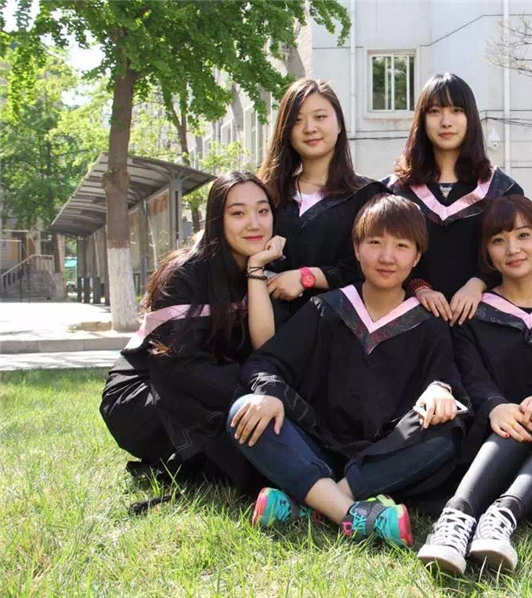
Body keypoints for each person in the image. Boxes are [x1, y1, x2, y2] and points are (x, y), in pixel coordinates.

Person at [228, 194, 467, 548]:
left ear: (417, 257)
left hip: (384, 455)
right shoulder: (326, 309)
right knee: (245, 409)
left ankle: (312, 503)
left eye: (401, 246)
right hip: (317, 445)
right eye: (375, 243)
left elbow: (447, 382)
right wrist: (269, 395)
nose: (387, 257)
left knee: (448, 428)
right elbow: (265, 363)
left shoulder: (429, 324)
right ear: (356, 249)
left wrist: (440, 388)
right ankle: (352, 513)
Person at [417, 195, 532, 574]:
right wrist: (495, 406)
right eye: (498, 240)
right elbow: (470, 373)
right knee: (514, 422)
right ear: (486, 253)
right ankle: (455, 519)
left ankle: (501, 517)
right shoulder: (471, 314)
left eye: (523, 235)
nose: (513, 249)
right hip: (492, 438)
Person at [100, 172, 285, 491]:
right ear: (217, 220)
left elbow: (268, 349)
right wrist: (255, 393)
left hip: (216, 384)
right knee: (252, 446)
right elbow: (180, 368)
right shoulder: (185, 275)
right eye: (238, 213)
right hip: (149, 393)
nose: (254, 223)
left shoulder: (267, 271)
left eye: (262, 211)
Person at [385, 72, 522, 326]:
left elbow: (515, 255)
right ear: (421, 119)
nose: (446, 122)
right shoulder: (394, 192)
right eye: (435, 111)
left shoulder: (503, 191)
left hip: (484, 324)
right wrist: (419, 286)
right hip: (413, 324)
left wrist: (478, 283)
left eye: (457, 110)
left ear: (470, 118)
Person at [258, 78, 386, 320]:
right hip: (270, 329)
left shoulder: (369, 196)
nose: (309, 128)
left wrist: (308, 276)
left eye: (320, 117)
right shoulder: (268, 195)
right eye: (297, 120)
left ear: (339, 124)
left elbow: (379, 267)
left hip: (341, 328)